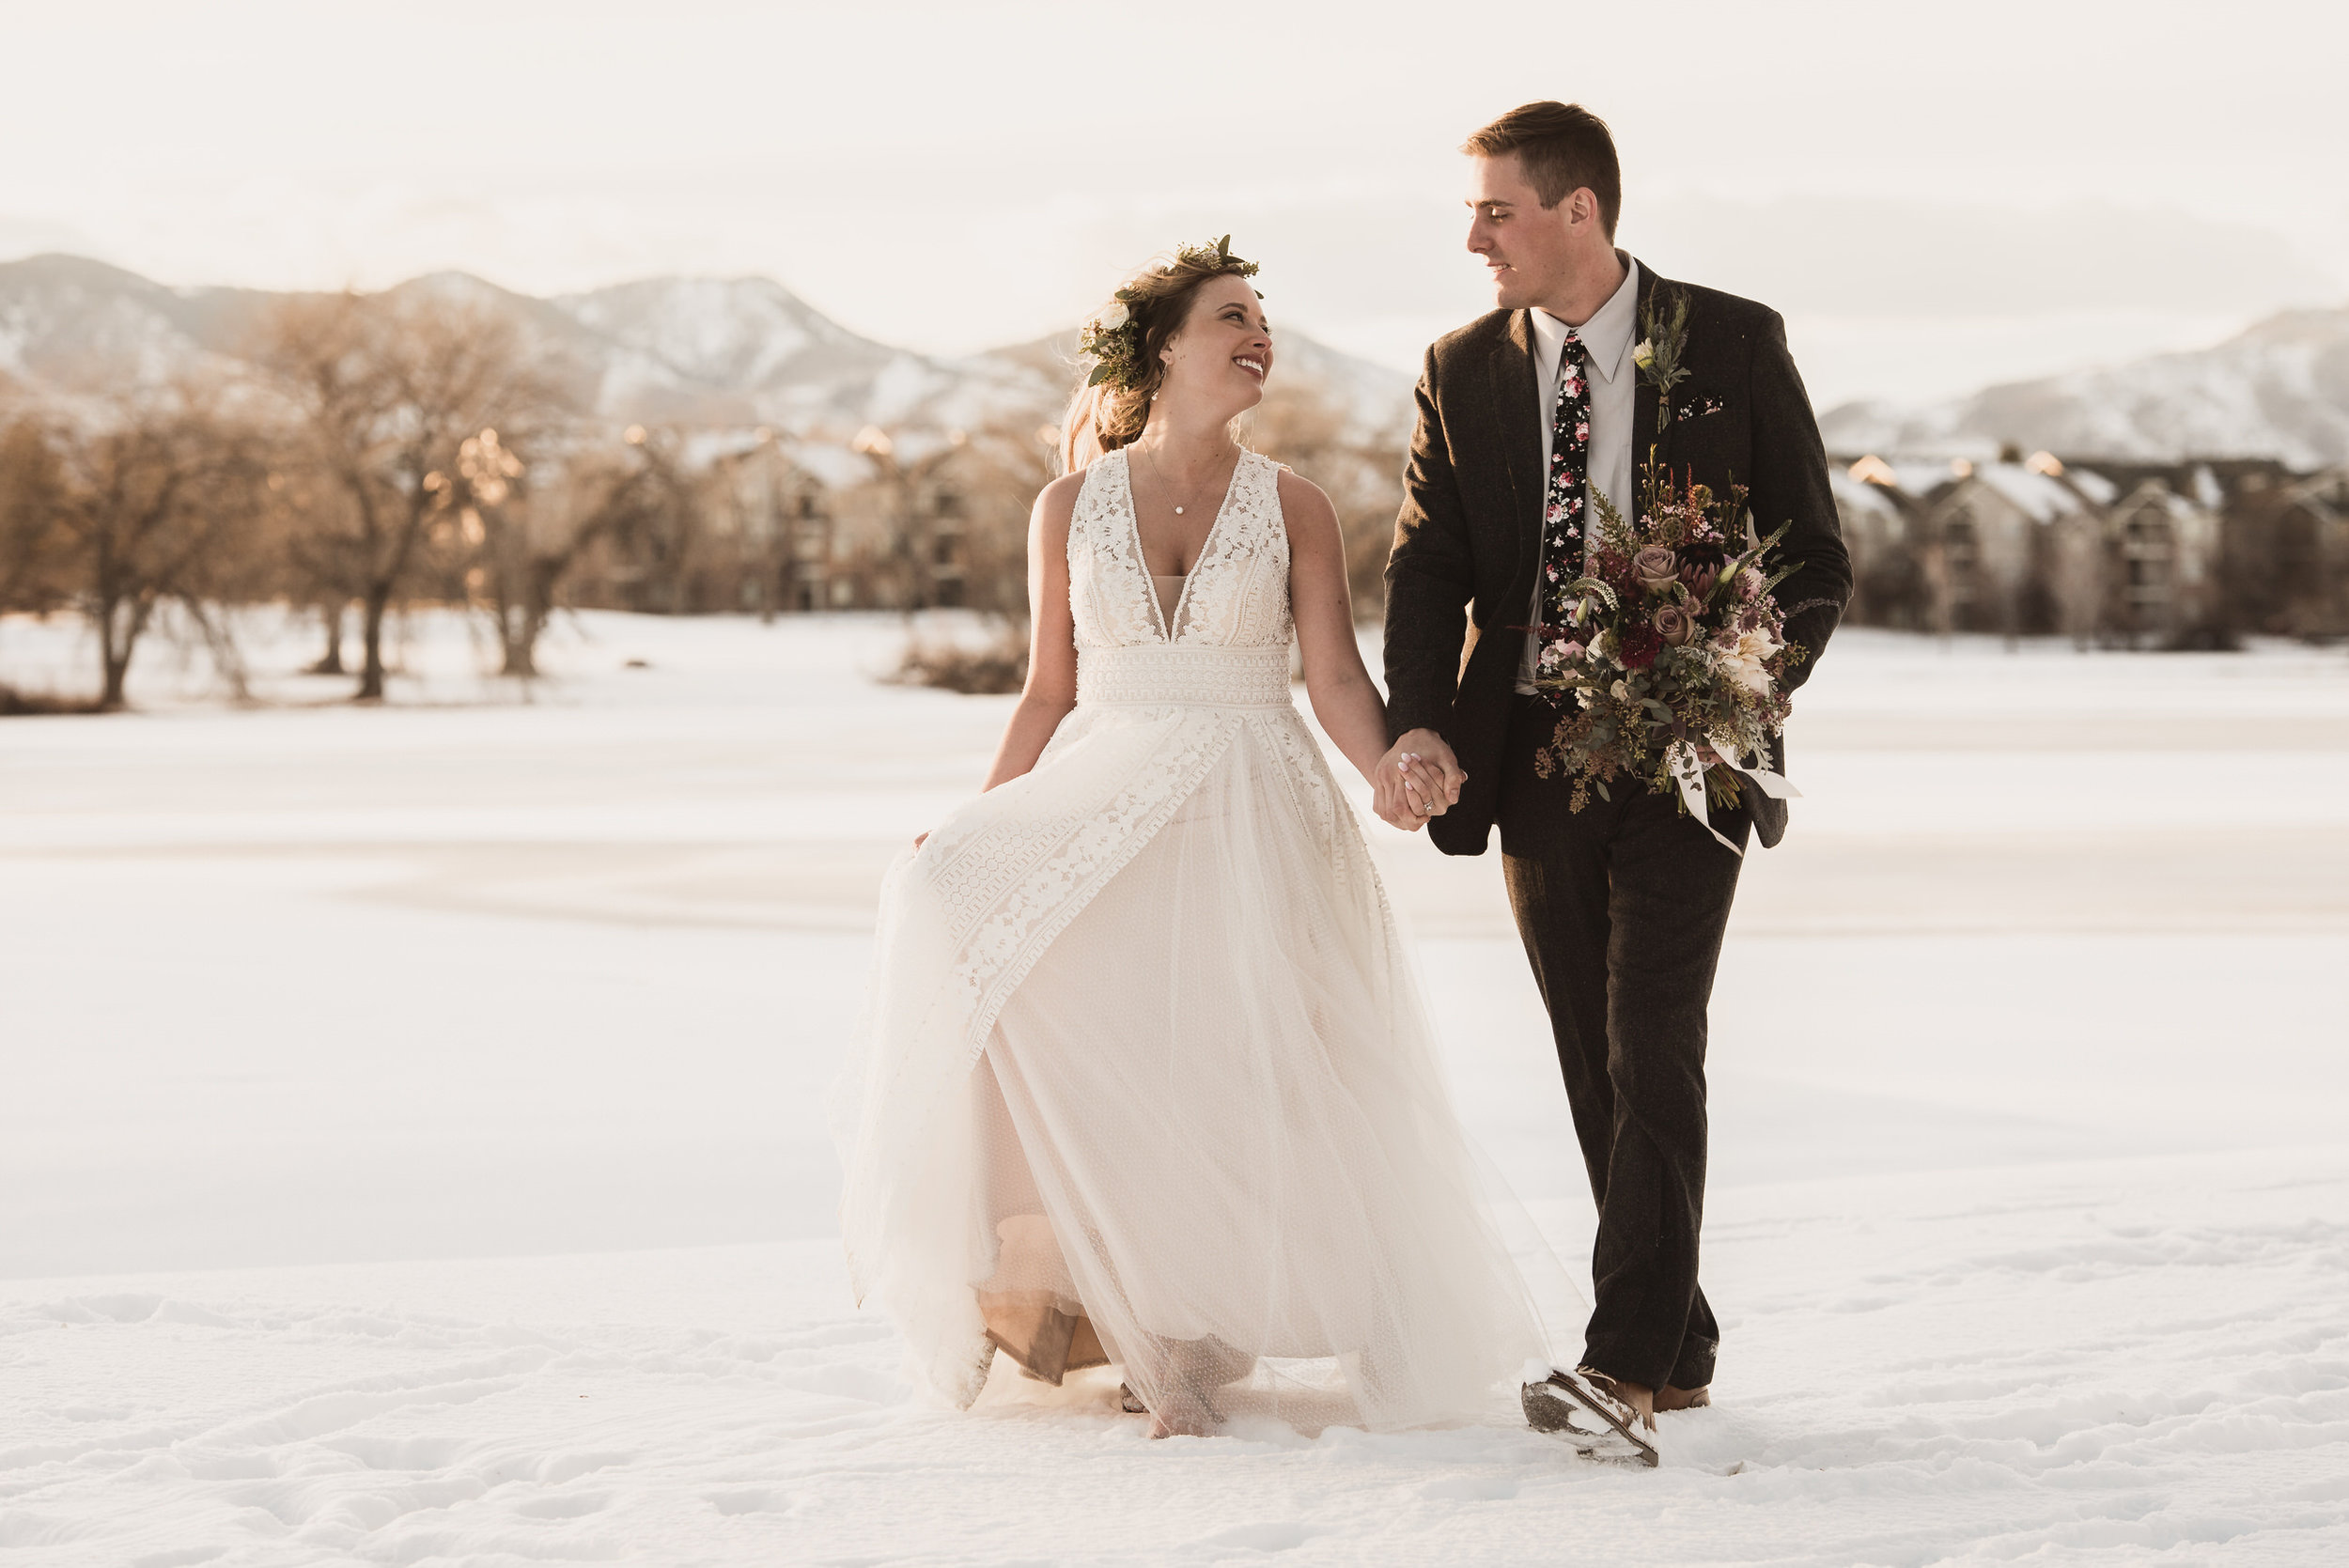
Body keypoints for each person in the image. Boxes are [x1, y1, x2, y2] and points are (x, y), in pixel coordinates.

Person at [832, 239, 1548, 1439]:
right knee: (1055, 1002)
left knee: (1232, 1071)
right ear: (1164, 347)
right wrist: (980, 819)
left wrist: (1391, 768)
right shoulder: (1067, 504)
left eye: (1263, 318)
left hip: (1254, 802)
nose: (1257, 334)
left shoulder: (1296, 505)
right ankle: (1131, 1333)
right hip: (1105, 795)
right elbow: (1046, 691)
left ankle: (1206, 1340)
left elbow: (1329, 676)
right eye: (1232, 316)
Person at [1378, 102, 1853, 1445]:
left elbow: (1812, 551)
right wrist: (1420, 722)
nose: (1475, 239)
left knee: (1655, 1036)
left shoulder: (1732, 339)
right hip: (1527, 755)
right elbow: (1431, 565)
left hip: (1689, 753)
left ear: (1577, 208)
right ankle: (1680, 1335)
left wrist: (1735, 685)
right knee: (1593, 1053)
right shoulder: (1460, 365)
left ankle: (1623, 1363)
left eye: (1496, 211)